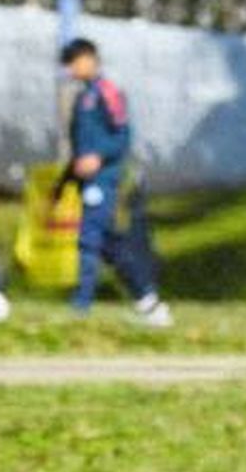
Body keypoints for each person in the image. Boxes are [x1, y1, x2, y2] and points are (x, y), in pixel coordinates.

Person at [57, 38, 171, 327]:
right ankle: (148, 299)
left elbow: (123, 136)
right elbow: (81, 146)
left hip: (104, 180)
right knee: (108, 244)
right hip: (87, 181)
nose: (70, 68)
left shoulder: (107, 92)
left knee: (89, 239)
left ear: (90, 59)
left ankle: (80, 308)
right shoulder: (84, 96)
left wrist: (98, 157)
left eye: (74, 61)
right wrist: (66, 181)